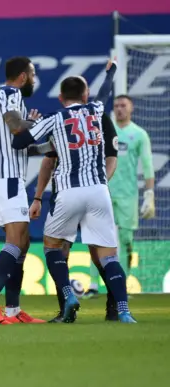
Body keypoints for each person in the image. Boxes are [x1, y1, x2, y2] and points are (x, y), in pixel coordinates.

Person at [12, 60, 137, 323]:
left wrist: (24, 123)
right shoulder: (96, 109)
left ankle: (69, 294)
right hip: (99, 191)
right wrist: (110, 71)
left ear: (60, 97)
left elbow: (20, 142)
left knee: (52, 248)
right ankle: (124, 312)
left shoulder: (55, 118)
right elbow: (105, 91)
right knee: (108, 256)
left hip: (68, 191)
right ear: (85, 95)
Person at [29, 109, 119, 322]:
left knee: (98, 255)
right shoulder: (77, 118)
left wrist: (97, 182)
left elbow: (111, 158)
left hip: (77, 193)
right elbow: (49, 160)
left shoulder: (98, 118)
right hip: (75, 193)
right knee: (64, 251)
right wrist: (38, 197)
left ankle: (113, 307)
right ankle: (67, 311)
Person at [0, 56, 44, 324]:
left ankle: (14, 310)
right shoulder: (8, 93)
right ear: (24, 76)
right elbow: (17, 128)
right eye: (33, 75)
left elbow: (20, 139)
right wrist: (35, 126)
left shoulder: (8, 98)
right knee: (15, 241)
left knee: (23, 243)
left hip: (10, 177)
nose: (35, 81)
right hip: (5, 178)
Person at [84, 94, 155, 298]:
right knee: (96, 237)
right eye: (116, 105)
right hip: (102, 191)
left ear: (131, 108)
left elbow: (148, 165)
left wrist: (149, 194)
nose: (119, 109)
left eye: (123, 105)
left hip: (128, 195)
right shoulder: (104, 129)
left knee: (125, 239)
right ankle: (94, 285)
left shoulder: (139, 134)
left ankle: (121, 284)